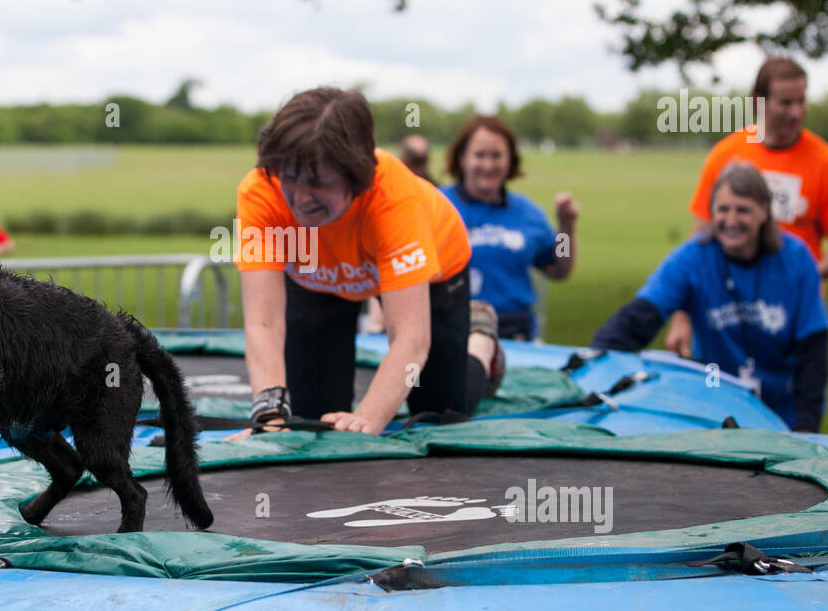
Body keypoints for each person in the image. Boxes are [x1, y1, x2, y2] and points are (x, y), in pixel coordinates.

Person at [234, 88, 503, 435]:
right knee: (312, 417)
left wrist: (368, 419)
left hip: (436, 271)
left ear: (357, 177)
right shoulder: (260, 190)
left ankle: (481, 344)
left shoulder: (394, 199)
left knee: (439, 414)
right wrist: (269, 415)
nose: (300, 198)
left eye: (318, 182)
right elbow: (264, 323)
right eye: (290, 176)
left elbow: (410, 338)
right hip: (321, 277)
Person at [591, 162, 828, 432]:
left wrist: (806, 428)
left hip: (781, 412)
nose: (730, 221)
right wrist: (591, 363)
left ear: (764, 211)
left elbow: (814, 352)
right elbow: (638, 318)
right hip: (714, 408)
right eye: (722, 209)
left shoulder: (797, 260)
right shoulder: (693, 258)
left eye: (742, 210)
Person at [667, 58, 828, 356]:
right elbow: (699, 243)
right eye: (785, 103)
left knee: (792, 398)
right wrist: (682, 316)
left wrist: (800, 275)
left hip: (794, 313)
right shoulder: (727, 156)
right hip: (725, 312)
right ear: (759, 102)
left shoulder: (827, 163)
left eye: (801, 101)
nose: (796, 112)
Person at [439, 115, 579, 341]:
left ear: (510, 161)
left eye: (497, 156)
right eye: (479, 155)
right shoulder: (434, 204)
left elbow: (558, 268)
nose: (488, 165)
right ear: (462, 158)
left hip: (512, 333)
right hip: (447, 329)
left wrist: (566, 227)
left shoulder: (527, 212)